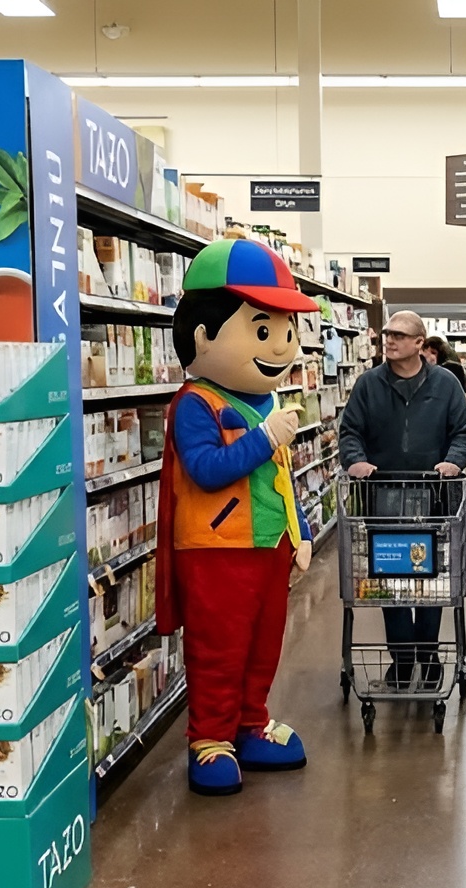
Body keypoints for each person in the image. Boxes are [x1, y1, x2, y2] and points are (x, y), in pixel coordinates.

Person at [153, 238, 317, 797]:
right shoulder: (195, 403)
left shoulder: (266, 402)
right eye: (262, 330)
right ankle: (210, 738)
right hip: (216, 549)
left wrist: (300, 531)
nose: (282, 346)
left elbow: (280, 477)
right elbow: (205, 470)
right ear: (203, 335)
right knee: (218, 648)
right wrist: (265, 437)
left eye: (287, 331)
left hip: (268, 546)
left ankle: (249, 723)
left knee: (263, 644)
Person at [340, 310, 466, 688]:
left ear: (419, 343)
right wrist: (355, 460)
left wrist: (453, 461)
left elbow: (463, 432)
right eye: (387, 334)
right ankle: (401, 658)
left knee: (432, 579)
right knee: (391, 576)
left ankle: (428, 654)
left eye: (399, 335)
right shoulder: (368, 384)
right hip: (382, 495)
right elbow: (350, 431)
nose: (390, 340)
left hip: (434, 497)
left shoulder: (445, 384)